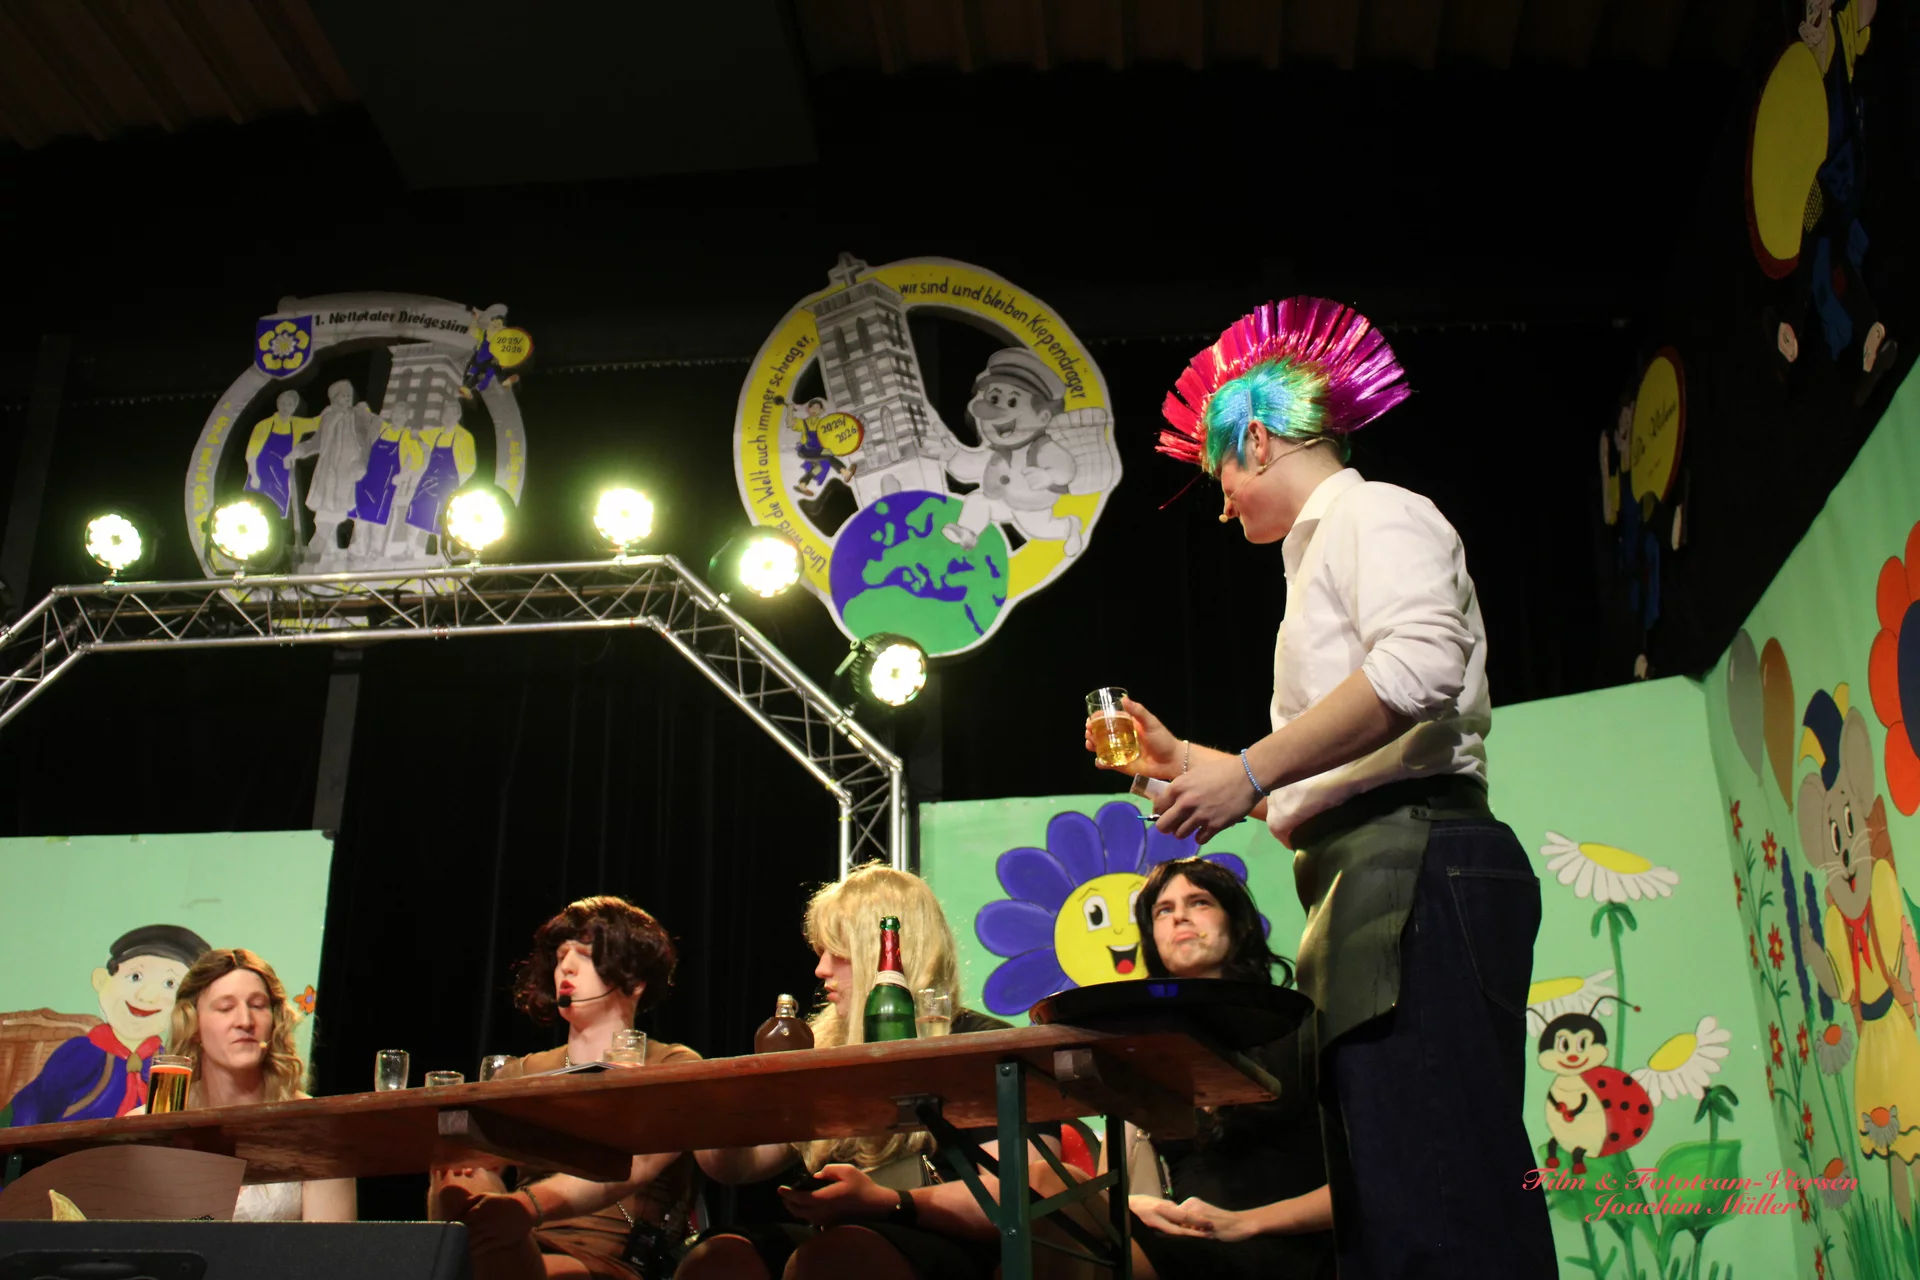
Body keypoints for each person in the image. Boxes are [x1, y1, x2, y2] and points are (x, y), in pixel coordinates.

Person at [1090, 297, 1554, 1276]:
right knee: (1395, 1196)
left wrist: (1249, 769)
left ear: (1256, 440)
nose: (1222, 502)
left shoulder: (1375, 513)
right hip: (1370, 871)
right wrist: (1193, 764)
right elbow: (1331, 782)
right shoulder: (1317, 561)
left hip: (1416, 863)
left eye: (1219, 471)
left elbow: (1421, 666)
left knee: (1442, 1189)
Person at [682, 864, 1036, 1280]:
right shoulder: (823, 1047)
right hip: (841, 1235)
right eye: (821, 952)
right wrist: (725, 1113)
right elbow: (737, 1168)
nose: (821, 970)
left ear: (889, 953)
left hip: (947, 1239)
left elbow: (1023, 1195)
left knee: (835, 1258)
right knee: (720, 1258)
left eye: (839, 953)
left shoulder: (981, 1043)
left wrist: (887, 1201)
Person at [431, 896, 701, 1279]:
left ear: (636, 981)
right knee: (458, 1172)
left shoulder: (671, 1065)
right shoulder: (523, 1072)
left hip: (610, 1259)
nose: (566, 967)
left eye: (585, 955)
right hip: (521, 1242)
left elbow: (637, 1166)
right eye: (560, 956)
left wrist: (524, 1206)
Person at [1112, 858, 1333, 1280]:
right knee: (1056, 1209)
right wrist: (1133, 1206)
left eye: (1199, 902)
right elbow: (1107, 1185)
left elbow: (1374, 1183)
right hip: (1188, 1253)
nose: (1179, 916)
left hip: (1288, 1254)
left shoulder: (1302, 1029)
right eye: (1163, 910)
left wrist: (1247, 1223)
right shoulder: (1152, 1053)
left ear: (1237, 924)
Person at [132, 947, 354, 1222]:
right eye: (225, 1008)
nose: (245, 1021)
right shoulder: (142, 1126)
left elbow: (329, 1247)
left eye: (258, 1006)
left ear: (275, 1021)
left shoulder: (318, 1129)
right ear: (194, 1025)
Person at [3, 924, 210, 1127]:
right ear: (101, 980)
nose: (146, 996)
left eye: (170, 984)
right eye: (135, 977)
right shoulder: (80, 1055)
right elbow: (28, 1111)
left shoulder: (168, 1069)